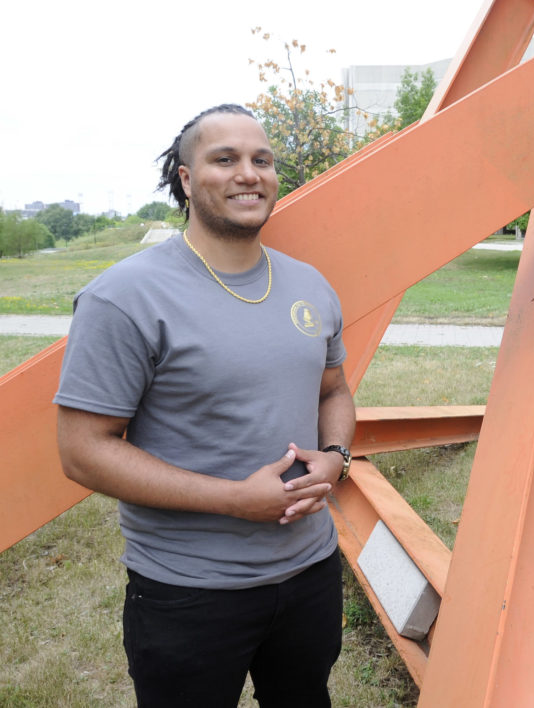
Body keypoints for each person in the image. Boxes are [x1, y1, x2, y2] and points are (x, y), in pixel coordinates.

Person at [54, 104, 355, 708]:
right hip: (188, 591)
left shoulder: (309, 285)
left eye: (262, 160)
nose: (250, 173)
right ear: (188, 180)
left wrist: (336, 455)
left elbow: (333, 391)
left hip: (310, 573)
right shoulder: (125, 296)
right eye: (225, 159)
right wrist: (234, 500)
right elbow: (83, 453)